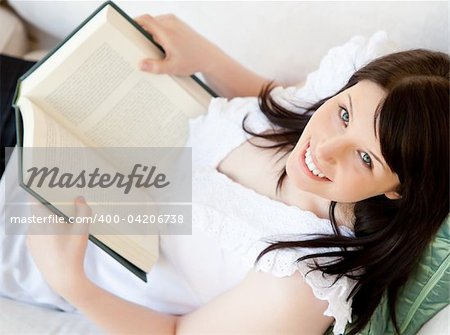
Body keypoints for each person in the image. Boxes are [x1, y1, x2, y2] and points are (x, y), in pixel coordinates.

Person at [1, 14, 448, 335]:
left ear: (400, 191)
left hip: (28, 228)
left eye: (365, 159)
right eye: (344, 114)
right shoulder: (334, 103)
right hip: (53, 115)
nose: (325, 150)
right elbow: (276, 106)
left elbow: (178, 333)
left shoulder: (304, 280)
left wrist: (71, 283)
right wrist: (207, 58)